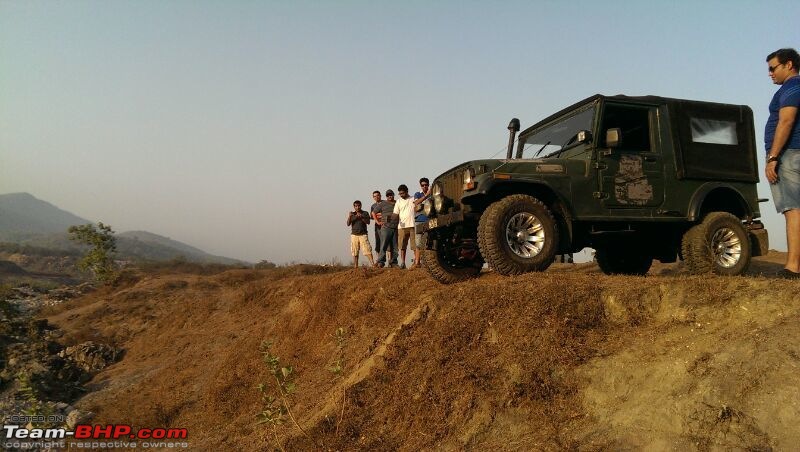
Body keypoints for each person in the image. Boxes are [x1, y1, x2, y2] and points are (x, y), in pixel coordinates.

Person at [764, 48, 800, 279]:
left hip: (789, 155)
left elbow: (786, 121)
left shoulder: (791, 86)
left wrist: (773, 157)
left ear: (788, 64)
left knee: (793, 209)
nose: (769, 74)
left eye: (772, 68)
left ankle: (793, 267)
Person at [393, 184, 417, 269]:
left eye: (402, 193)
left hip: (413, 225)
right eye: (400, 194)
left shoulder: (413, 198)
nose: (401, 195)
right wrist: (389, 219)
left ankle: (416, 261)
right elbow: (395, 214)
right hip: (402, 226)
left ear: (407, 192)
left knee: (415, 245)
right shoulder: (398, 201)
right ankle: (403, 262)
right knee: (402, 246)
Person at [346, 200, 374, 268]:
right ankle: (356, 266)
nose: (357, 207)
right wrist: (350, 216)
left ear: (361, 206)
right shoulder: (352, 214)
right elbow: (348, 224)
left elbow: (368, 222)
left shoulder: (365, 213)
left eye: (359, 206)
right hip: (354, 235)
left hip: (363, 234)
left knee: (367, 250)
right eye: (356, 206)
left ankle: (373, 264)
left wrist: (361, 217)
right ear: (354, 207)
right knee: (355, 251)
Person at [375, 189, 399, 267]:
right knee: (383, 245)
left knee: (395, 247)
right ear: (386, 196)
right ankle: (381, 262)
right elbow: (373, 212)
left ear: (393, 195)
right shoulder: (383, 203)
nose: (389, 196)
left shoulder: (397, 203)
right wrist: (378, 222)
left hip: (395, 227)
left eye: (391, 194)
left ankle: (394, 262)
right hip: (385, 227)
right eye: (388, 195)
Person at [411, 177, 431, 269]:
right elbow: (416, 203)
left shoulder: (433, 194)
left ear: (428, 184)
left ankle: (426, 263)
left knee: (428, 242)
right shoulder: (417, 194)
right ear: (420, 186)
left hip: (429, 220)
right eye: (422, 185)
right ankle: (417, 262)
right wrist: (426, 195)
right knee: (418, 243)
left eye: (426, 185)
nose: (424, 186)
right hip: (419, 220)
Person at [370, 190, 382, 256]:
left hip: (386, 225)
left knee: (388, 243)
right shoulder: (373, 206)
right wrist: (378, 215)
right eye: (374, 196)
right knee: (378, 242)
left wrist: (377, 214)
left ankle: (390, 262)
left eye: (378, 195)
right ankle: (378, 260)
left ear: (380, 196)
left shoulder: (385, 203)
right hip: (377, 226)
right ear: (373, 197)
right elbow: (371, 217)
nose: (376, 197)